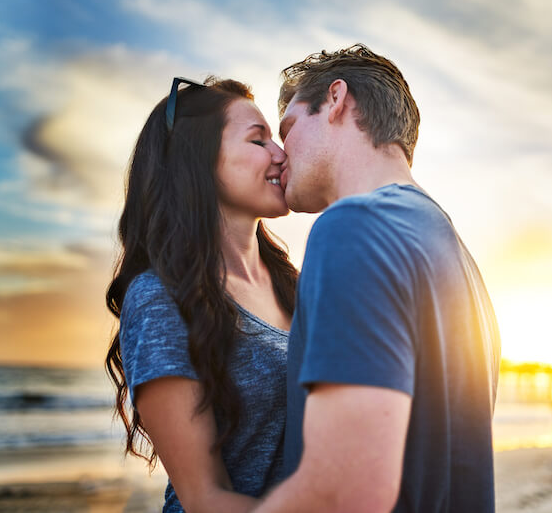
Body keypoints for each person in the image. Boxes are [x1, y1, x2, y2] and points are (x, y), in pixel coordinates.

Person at [254, 45, 501, 512]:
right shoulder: (458, 257)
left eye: (287, 130)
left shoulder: (354, 227)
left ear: (335, 100)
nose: (281, 157)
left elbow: (345, 490)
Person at [105, 76, 298, 512]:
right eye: (258, 140)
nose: (282, 156)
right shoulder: (160, 298)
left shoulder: (296, 286)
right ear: (200, 159)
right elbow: (206, 499)